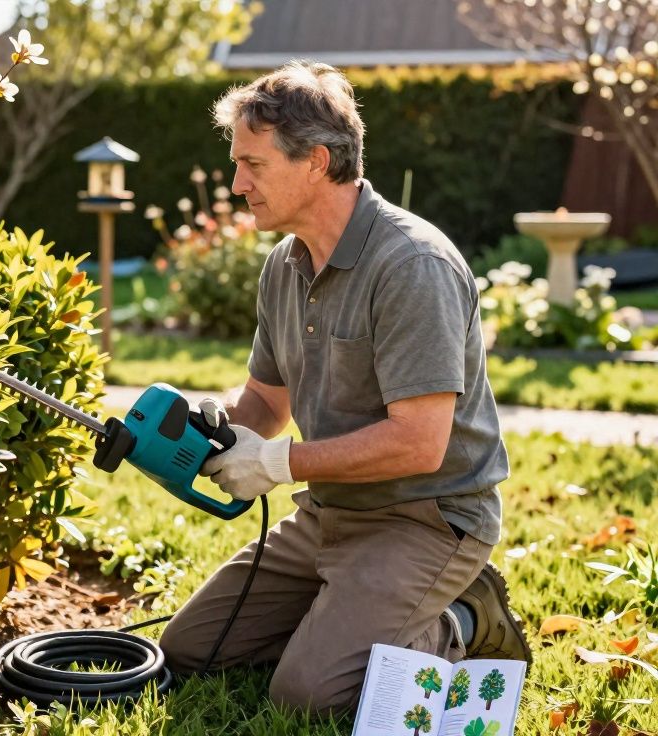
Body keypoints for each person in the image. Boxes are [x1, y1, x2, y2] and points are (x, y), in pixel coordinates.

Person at [157, 60, 531, 715]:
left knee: (308, 696)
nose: (238, 184)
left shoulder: (412, 265)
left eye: (253, 165)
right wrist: (205, 430)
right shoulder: (285, 265)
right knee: (189, 649)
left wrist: (276, 463)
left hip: (426, 519)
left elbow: (419, 444)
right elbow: (265, 404)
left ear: (317, 162)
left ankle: (464, 618)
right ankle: (345, 617)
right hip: (330, 512)